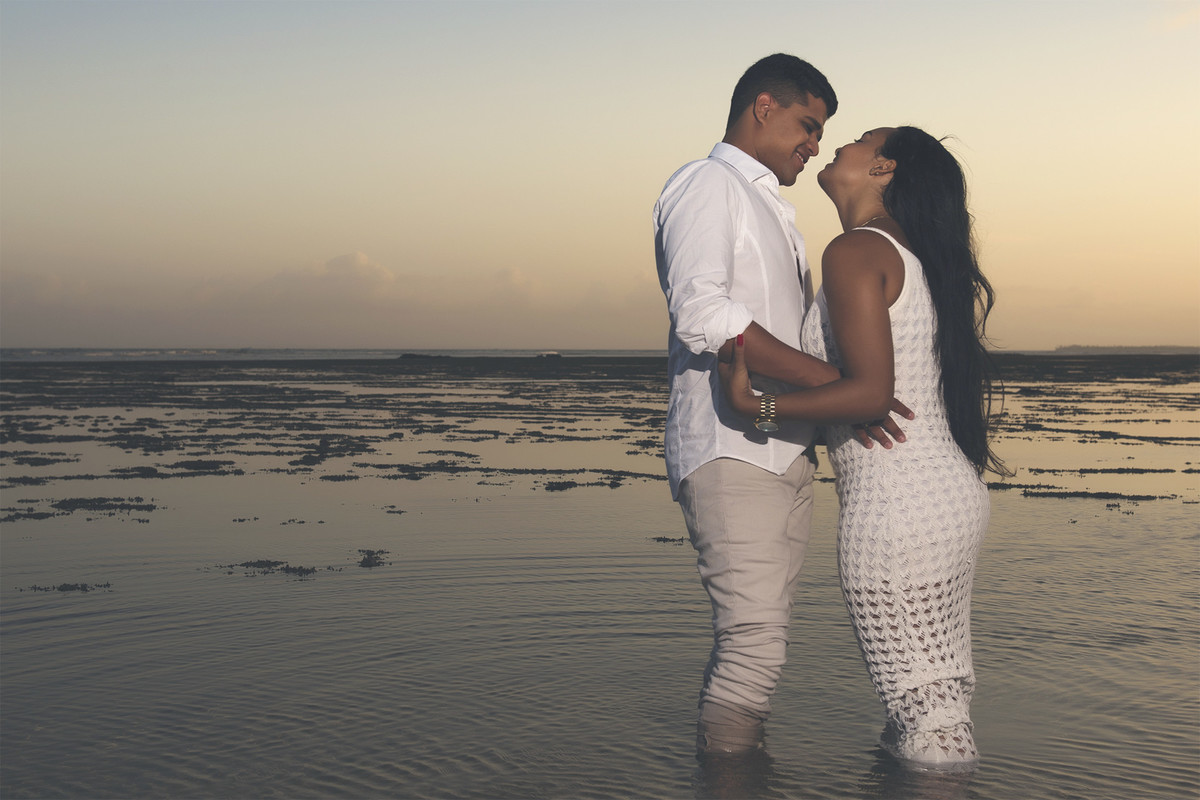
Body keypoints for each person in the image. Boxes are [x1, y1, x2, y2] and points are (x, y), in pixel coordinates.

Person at [721, 125, 1007, 771]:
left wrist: (756, 407)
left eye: (857, 139)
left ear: (883, 168)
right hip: (942, 498)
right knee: (936, 701)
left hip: (899, 509)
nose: (839, 145)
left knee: (926, 717)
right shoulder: (913, 256)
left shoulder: (855, 250)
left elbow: (871, 395)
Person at [652, 54, 911, 758]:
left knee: (763, 643)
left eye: (821, 132)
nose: (815, 144)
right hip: (730, 452)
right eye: (808, 124)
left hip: (776, 444)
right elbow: (703, 314)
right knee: (753, 647)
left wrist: (823, 405)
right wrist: (841, 382)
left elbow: (773, 372)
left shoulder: (771, 207)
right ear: (762, 107)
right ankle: (727, 777)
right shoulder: (708, 183)